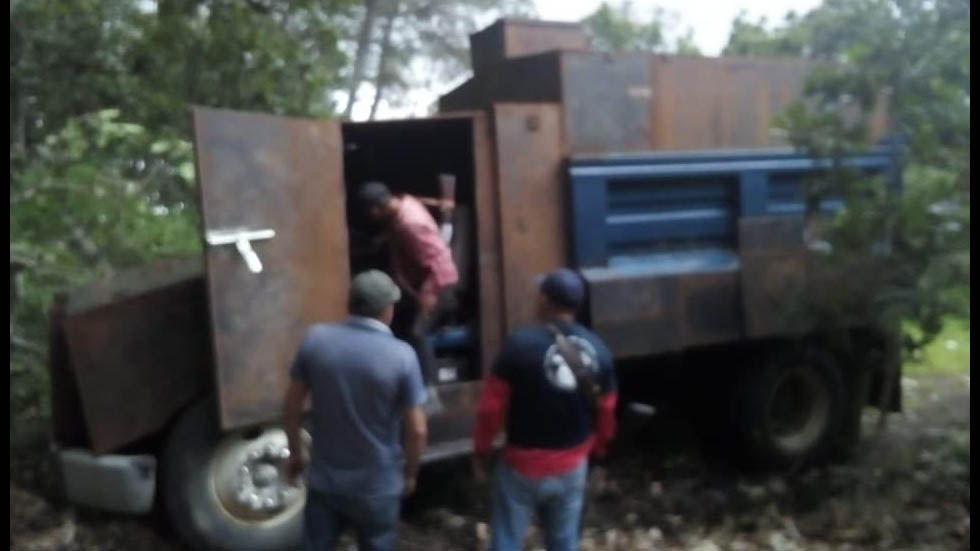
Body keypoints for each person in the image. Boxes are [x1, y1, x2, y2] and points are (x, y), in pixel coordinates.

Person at [472, 268, 618, 551]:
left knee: (505, 540)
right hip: (572, 466)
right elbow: (607, 409)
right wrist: (598, 450)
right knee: (563, 542)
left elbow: (490, 410)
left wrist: (481, 451)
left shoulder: (518, 346)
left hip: (520, 469)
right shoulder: (599, 349)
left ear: (543, 299)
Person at [283, 270, 428, 551]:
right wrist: (410, 472)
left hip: (325, 482)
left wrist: (296, 454)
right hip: (377, 486)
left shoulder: (316, 340)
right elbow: (417, 429)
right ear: (387, 310)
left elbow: (291, 406)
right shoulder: (402, 356)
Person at [357, 181, 460, 407]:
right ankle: (401, 386)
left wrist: (427, 297)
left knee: (416, 333)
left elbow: (441, 264)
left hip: (437, 286)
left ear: (376, 209)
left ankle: (428, 396)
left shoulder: (410, 225)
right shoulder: (403, 203)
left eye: (369, 213)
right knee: (399, 327)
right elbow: (413, 198)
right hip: (415, 284)